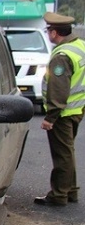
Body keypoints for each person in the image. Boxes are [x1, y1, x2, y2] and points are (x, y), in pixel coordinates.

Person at [34, 11, 85, 206]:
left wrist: (50, 117)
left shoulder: (61, 57)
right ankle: (70, 191)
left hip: (63, 113)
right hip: (77, 109)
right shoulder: (80, 46)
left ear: (55, 33)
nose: (48, 34)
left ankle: (59, 195)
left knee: (62, 155)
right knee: (68, 152)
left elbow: (58, 89)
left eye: (48, 30)